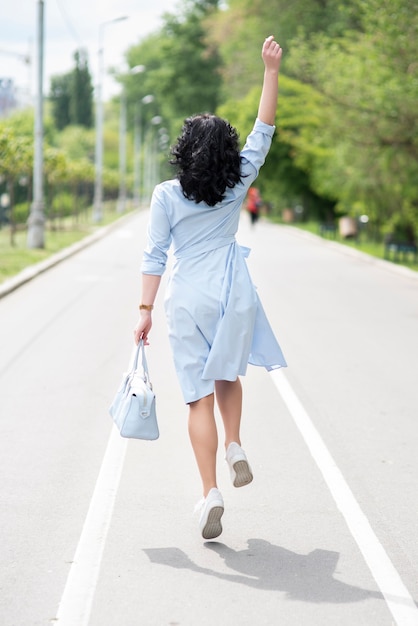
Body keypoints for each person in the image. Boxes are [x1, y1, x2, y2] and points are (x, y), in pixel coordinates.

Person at [134, 35, 287, 540]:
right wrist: (270, 71)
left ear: (182, 151)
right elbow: (264, 129)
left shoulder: (166, 195)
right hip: (232, 292)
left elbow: (154, 256)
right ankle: (236, 443)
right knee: (229, 376)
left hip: (187, 299)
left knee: (198, 398)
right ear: (225, 151)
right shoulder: (238, 181)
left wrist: (144, 309)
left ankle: (210, 492)